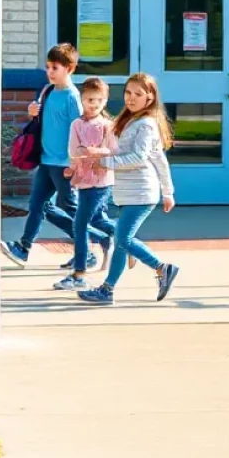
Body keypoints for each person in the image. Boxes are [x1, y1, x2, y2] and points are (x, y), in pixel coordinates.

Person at [77, 72, 179, 306]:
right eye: (128, 92)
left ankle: (162, 268)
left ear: (150, 98)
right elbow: (157, 159)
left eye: (138, 94)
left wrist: (104, 162)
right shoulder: (128, 120)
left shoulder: (146, 124)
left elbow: (138, 158)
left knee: (123, 238)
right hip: (129, 192)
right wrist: (99, 154)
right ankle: (107, 290)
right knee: (123, 242)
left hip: (142, 192)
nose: (131, 98)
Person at [0, 43, 106, 267]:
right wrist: (32, 112)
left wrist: (76, 164)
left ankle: (97, 242)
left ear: (69, 68)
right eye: (47, 67)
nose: (49, 72)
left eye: (54, 67)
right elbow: (43, 121)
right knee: (38, 204)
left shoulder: (72, 97)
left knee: (71, 209)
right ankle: (23, 248)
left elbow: (80, 132)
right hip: (46, 161)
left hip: (64, 164)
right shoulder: (47, 91)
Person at [53, 77, 118, 291]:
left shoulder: (108, 126)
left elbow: (114, 151)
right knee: (98, 219)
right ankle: (123, 235)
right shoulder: (77, 125)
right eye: (90, 99)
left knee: (79, 224)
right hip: (83, 182)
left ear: (105, 101)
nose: (94, 103)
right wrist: (72, 168)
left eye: (99, 100)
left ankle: (79, 274)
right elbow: (74, 151)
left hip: (101, 182)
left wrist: (94, 152)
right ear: (82, 99)